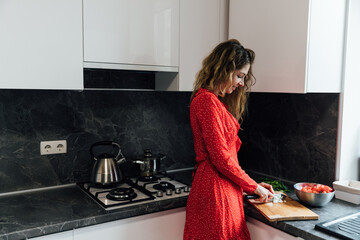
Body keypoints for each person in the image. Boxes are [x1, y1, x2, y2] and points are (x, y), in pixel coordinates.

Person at [183, 39, 274, 240]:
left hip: (222, 189)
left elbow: (226, 159)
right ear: (224, 69)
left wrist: (251, 183)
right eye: (239, 76)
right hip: (215, 193)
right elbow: (221, 158)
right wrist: (254, 187)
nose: (241, 83)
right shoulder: (206, 101)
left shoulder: (212, 101)